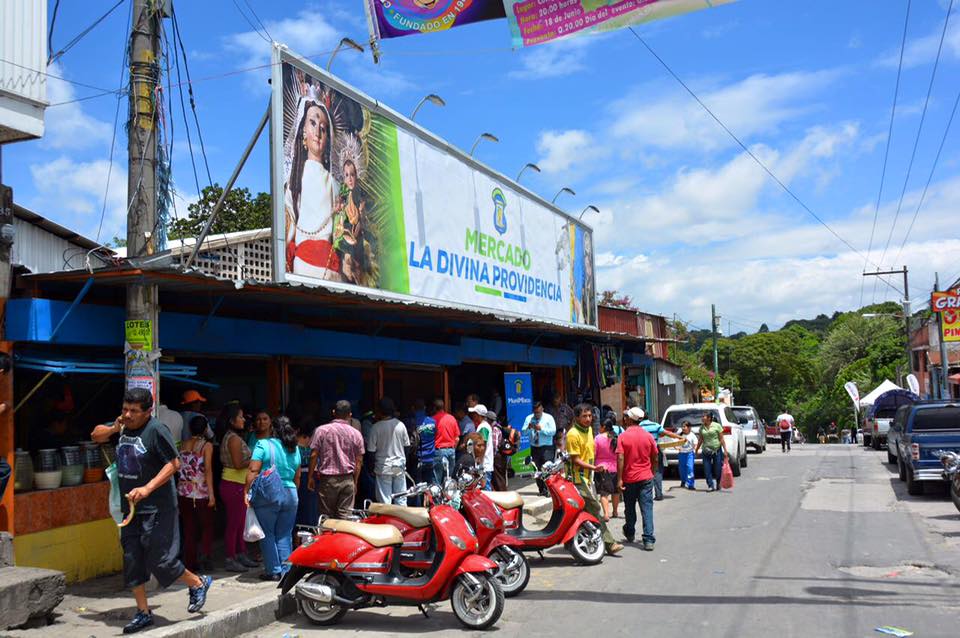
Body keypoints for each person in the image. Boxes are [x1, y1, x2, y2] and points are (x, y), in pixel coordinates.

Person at [91, 388, 212, 634]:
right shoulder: (122, 425)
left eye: (134, 411)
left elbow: (174, 463)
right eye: (126, 409)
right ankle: (143, 612)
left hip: (158, 507)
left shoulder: (157, 430)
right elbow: (95, 435)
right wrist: (115, 428)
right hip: (130, 509)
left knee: (161, 560)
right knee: (132, 561)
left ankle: (198, 583)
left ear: (148, 411)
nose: (128, 414)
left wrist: (147, 488)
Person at [284, 85, 342, 280]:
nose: (318, 132)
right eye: (313, 123)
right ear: (302, 132)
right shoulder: (294, 179)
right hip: (304, 264)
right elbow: (290, 220)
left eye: (323, 128)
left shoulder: (334, 183)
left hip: (330, 267)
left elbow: (338, 229)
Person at [245, 416, 301, 581]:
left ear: (272, 429)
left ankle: (273, 571)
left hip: (269, 494)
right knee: (284, 533)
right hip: (291, 493)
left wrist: (246, 491)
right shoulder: (294, 448)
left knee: (267, 533)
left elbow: (253, 470)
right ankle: (286, 570)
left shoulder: (263, 444)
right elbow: (297, 476)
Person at [565, 404, 622, 555]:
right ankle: (610, 544)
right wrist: (595, 468)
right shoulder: (573, 434)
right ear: (576, 417)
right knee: (595, 509)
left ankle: (571, 542)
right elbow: (576, 460)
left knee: (583, 513)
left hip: (589, 478)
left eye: (589, 416)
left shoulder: (589, 430)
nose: (588, 419)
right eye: (584, 416)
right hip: (578, 480)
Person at [308, 400, 365, 519]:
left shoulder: (321, 430)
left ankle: (327, 538)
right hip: (347, 478)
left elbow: (313, 455)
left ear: (333, 412)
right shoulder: (356, 434)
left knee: (326, 517)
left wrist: (310, 477)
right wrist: (355, 481)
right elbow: (359, 461)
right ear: (350, 415)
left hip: (328, 481)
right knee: (345, 518)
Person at [218, 403, 256, 572]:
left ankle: (240, 553)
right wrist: (256, 459)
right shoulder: (233, 439)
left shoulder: (233, 436)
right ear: (232, 420)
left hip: (237, 484)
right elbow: (238, 463)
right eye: (240, 417)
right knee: (234, 524)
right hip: (233, 484)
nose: (243, 419)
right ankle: (230, 557)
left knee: (240, 522)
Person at [617, 402, 659, 550]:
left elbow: (620, 458)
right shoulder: (648, 436)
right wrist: (652, 472)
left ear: (629, 419)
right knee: (647, 508)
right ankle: (648, 539)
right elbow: (655, 456)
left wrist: (619, 478)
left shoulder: (622, 437)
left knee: (629, 508)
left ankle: (629, 532)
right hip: (646, 477)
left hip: (629, 479)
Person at [177, 416, 215, 573]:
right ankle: (205, 557)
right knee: (206, 527)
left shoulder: (182, 444)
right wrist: (212, 494)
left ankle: (190, 563)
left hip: (183, 492)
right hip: (200, 492)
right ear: (205, 428)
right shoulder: (206, 446)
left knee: (189, 529)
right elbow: (207, 469)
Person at [368, 397, 410, 506]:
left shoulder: (375, 428)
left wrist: (372, 468)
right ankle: (402, 520)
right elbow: (407, 447)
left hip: (383, 467)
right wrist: (403, 460)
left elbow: (371, 452)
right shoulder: (401, 425)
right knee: (401, 497)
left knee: (385, 500)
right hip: (398, 466)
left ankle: (387, 521)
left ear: (379, 411)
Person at [636, 407, 683, 501]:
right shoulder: (655, 425)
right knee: (657, 473)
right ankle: (658, 494)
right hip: (655, 451)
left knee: (642, 472)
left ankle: (643, 495)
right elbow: (667, 433)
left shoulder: (638, 427)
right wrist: (679, 438)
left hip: (641, 452)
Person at [523, 401, 558, 497]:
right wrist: (529, 428)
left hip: (547, 446)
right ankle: (542, 490)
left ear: (542, 409)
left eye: (539, 412)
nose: (537, 415)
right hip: (535, 447)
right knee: (537, 469)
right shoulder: (529, 418)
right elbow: (523, 432)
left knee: (547, 468)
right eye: (535, 413)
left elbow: (553, 431)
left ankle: (549, 489)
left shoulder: (549, 418)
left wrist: (541, 429)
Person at [295, 418, 319, 530]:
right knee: (310, 508)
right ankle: (310, 532)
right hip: (311, 476)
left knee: (299, 507)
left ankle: (298, 534)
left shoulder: (293, 445)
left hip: (297, 477)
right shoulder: (312, 445)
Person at [695, 413, 728, 492]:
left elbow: (721, 439)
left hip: (716, 450)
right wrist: (696, 449)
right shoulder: (702, 427)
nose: (702, 418)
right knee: (707, 469)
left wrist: (725, 450)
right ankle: (710, 485)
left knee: (718, 469)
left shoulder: (717, 426)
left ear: (709, 418)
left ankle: (718, 483)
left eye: (704, 416)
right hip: (706, 451)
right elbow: (700, 440)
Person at [594, 418, 619, 521]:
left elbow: (594, 453)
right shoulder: (616, 437)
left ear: (603, 427)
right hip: (615, 467)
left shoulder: (598, 438)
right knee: (615, 491)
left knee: (604, 492)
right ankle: (615, 511)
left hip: (601, 468)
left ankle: (606, 514)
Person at [432, 398, 460, 484]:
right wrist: (452, 449)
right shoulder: (452, 418)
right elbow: (457, 438)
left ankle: (437, 497)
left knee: (437, 481)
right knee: (449, 481)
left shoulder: (433, 420)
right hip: (451, 451)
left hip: (438, 451)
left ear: (434, 408)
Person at [475, 407, 500, 490]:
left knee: (486, 489)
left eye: (474, 414)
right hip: (486, 463)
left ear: (478, 415)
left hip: (484, 464)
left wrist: (480, 459)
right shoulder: (485, 426)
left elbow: (483, 444)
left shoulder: (483, 427)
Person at [414, 400, 436, 491]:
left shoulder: (413, 421)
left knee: (418, 487)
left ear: (413, 409)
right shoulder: (433, 421)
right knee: (429, 486)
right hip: (430, 458)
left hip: (418, 459)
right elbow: (435, 435)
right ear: (425, 408)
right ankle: (429, 504)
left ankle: (419, 504)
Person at [492, 415, 518, 491]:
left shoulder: (495, 429)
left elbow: (495, 446)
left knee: (499, 479)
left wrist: (492, 457)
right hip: (502, 457)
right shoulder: (500, 428)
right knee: (501, 477)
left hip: (497, 458)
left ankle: (503, 496)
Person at [677, 422, 697, 490]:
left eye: (684, 426)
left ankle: (691, 484)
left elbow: (695, 444)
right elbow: (674, 443)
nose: (683, 428)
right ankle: (683, 481)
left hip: (689, 454)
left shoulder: (692, 435)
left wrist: (694, 450)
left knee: (690, 468)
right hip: (681, 454)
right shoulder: (679, 435)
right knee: (682, 469)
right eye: (682, 426)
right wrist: (676, 448)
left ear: (689, 428)